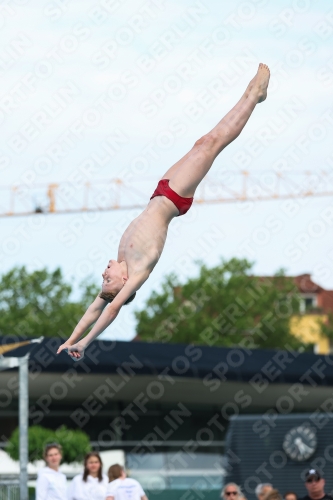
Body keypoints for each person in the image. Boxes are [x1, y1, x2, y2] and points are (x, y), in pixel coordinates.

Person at [56, 63, 270, 361]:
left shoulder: (121, 262)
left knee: (201, 142)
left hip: (161, 191)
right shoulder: (137, 271)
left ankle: (252, 96)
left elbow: (94, 308)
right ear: (121, 286)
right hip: (174, 198)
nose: (104, 273)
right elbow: (110, 308)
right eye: (107, 280)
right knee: (212, 143)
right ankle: (254, 96)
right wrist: (86, 343)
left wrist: (69, 339)